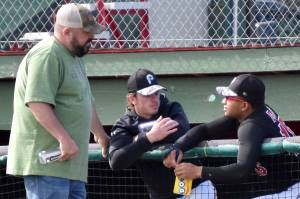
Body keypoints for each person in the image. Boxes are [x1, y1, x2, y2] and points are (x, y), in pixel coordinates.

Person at [6, 3, 110, 199]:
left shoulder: (74, 57)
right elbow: (37, 103)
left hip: (70, 167)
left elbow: (85, 100)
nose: (92, 37)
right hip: (48, 164)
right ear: (67, 31)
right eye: (86, 33)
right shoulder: (47, 54)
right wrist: (64, 139)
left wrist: (101, 135)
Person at [163, 74, 295, 197]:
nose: (224, 101)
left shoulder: (252, 126)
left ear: (244, 105)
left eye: (229, 97)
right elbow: (204, 130)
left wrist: (197, 171)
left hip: (293, 188)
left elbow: (241, 171)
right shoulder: (253, 111)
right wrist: (178, 146)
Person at [109, 69, 214, 199]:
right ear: (132, 98)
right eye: (147, 95)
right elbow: (116, 161)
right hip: (161, 195)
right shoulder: (124, 124)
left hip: (195, 190)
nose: (154, 99)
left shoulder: (170, 108)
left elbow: (181, 131)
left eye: (156, 93)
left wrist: (136, 141)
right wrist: (149, 137)